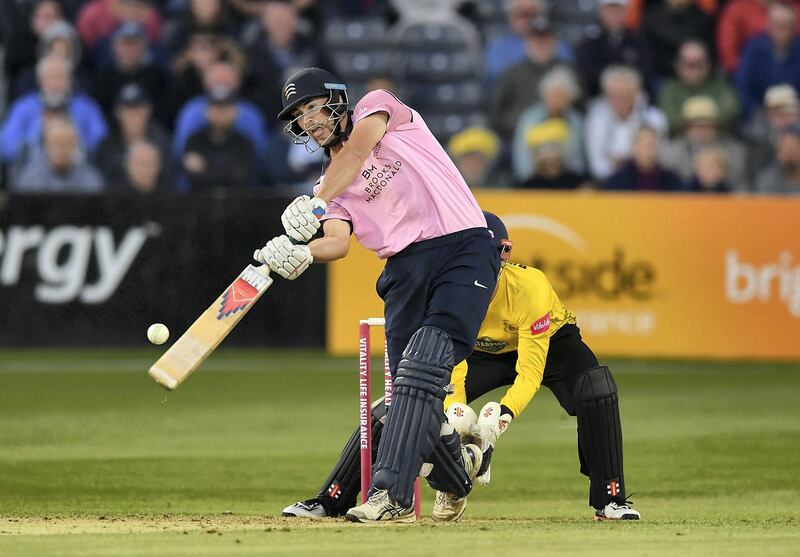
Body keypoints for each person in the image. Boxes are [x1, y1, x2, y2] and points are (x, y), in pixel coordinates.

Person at [253, 68, 500, 524]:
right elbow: (337, 241)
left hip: (462, 245)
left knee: (422, 365)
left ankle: (391, 495)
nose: (309, 120)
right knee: (410, 393)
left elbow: (358, 151)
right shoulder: (329, 185)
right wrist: (298, 252)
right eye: (299, 116)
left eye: (312, 107)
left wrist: (317, 201)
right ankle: (451, 475)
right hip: (404, 271)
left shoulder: (376, 107)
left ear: (335, 99)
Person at [280, 212, 641, 522]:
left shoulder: (530, 288)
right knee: (402, 405)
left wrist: (500, 419)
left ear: (503, 254)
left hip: (551, 347)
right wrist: (457, 418)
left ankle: (609, 498)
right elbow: (454, 360)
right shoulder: (449, 289)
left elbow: (531, 370)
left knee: (596, 389)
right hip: (478, 352)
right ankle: (333, 499)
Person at [11, 117, 104, 193]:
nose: (61, 149)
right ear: (46, 145)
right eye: (56, 143)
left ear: (75, 146)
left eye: (67, 143)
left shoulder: (90, 179)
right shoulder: (30, 178)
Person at [600, 126, 685, 191]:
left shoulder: (671, 180)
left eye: (651, 145)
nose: (647, 151)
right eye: (643, 146)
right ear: (634, 147)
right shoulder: (617, 181)